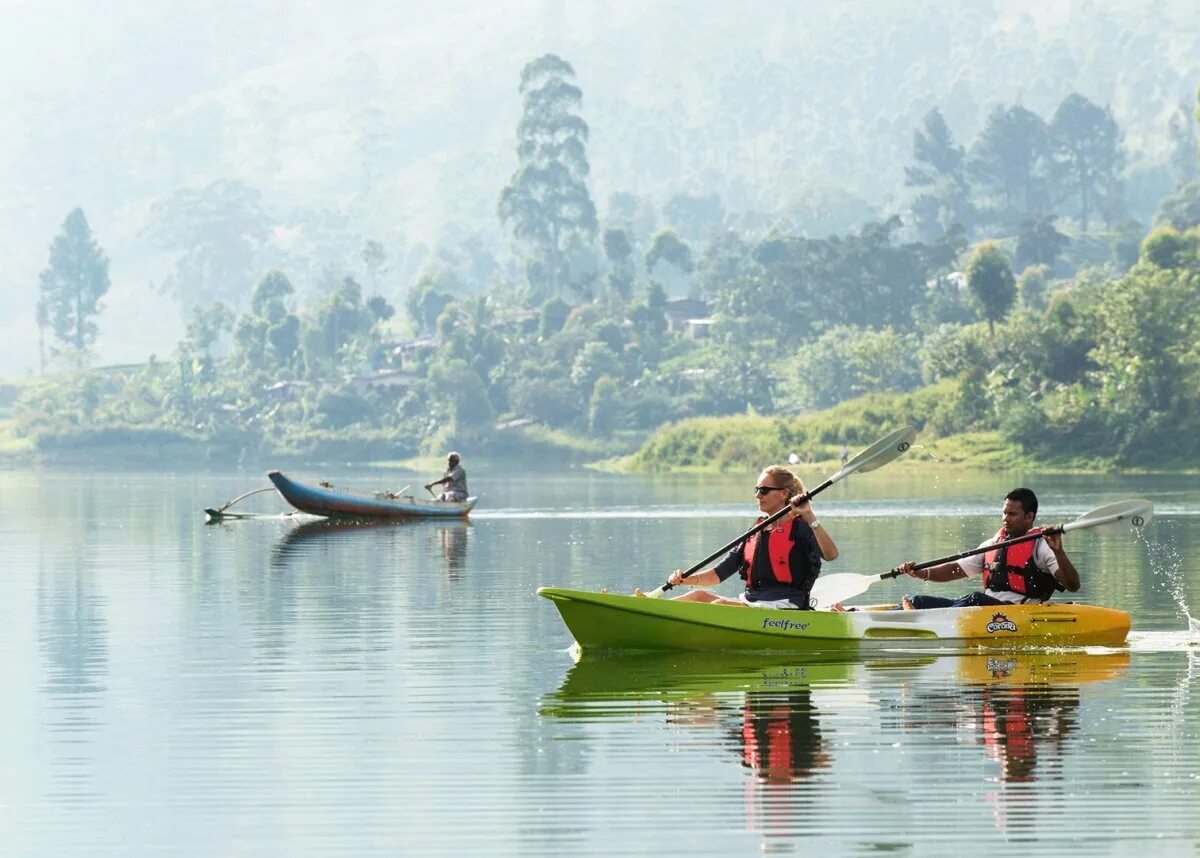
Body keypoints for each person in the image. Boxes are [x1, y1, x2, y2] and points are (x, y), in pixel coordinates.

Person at [662, 465, 838, 610]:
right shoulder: (756, 531)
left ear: (784, 494)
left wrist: (809, 515)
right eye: (757, 490)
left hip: (786, 605)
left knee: (720, 605)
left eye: (764, 490)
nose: (757, 496)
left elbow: (831, 555)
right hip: (752, 602)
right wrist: (685, 579)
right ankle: (652, 609)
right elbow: (718, 574)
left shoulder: (801, 527)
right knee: (697, 596)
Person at [898, 487, 1079, 610]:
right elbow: (955, 569)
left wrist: (1058, 551)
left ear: (1029, 517)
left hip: (1017, 613)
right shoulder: (993, 544)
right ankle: (908, 612)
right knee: (920, 600)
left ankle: (920, 617)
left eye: (1012, 514)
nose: (1005, 518)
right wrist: (922, 573)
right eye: (1004, 512)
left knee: (975, 599)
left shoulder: (1042, 547)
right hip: (982, 611)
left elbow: (1072, 585)